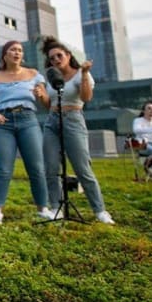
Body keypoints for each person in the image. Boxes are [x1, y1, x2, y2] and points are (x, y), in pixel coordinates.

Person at [39, 36, 114, 224]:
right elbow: (49, 104)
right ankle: (56, 208)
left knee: (83, 169)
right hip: (52, 121)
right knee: (51, 168)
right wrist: (40, 96)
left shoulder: (82, 73)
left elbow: (86, 97)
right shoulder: (52, 76)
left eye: (59, 55)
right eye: (52, 58)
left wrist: (84, 74)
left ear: (68, 55)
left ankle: (100, 211)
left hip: (73, 119)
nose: (56, 60)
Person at [0, 41, 54, 224]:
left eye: (20, 50)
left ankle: (43, 208)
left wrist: (42, 95)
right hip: (3, 123)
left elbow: (47, 104)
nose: (17, 53)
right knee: (4, 169)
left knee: (36, 168)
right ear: (5, 55)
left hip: (28, 121)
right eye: (13, 50)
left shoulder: (34, 74)